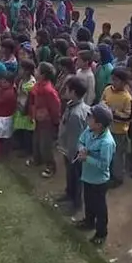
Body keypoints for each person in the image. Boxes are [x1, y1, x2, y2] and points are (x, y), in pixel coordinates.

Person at [75, 103, 116, 246]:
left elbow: (104, 165)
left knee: (100, 208)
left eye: (90, 117)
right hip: (87, 176)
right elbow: (80, 140)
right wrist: (81, 149)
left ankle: (101, 233)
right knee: (88, 202)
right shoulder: (89, 130)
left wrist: (87, 158)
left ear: (99, 125)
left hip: (99, 181)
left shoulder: (107, 143)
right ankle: (88, 222)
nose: (87, 118)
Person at [57, 76, 91, 214]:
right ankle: (69, 193)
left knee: (76, 177)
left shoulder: (77, 113)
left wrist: (71, 154)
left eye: (67, 89)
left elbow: (75, 138)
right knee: (70, 175)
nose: (64, 91)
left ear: (73, 92)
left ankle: (76, 204)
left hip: (74, 151)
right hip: (69, 148)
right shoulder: (73, 105)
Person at [27, 61, 62, 177]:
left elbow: (55, 106)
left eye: (38, 70)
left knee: (45, 145)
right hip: (38, 118)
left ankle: (50, 166)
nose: (35, 71)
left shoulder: (48, 90)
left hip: (47, 121)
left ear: (42, 75)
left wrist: (55, 121)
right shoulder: (38, 85)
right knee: (36, 140)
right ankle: (37, 159)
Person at [103, 67, 132, 186]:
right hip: (107, 129)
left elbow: (129, 117)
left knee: (118, 156)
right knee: (107, 154)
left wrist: (113, 113)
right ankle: (108, 174)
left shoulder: (127, 98)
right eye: (113, 79)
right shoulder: (107, 90)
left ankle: (118, 178)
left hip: (119, 132)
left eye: (117, 80)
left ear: (124, 82)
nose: (114, 82)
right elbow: (102, 102)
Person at [11, 60, 37, 155]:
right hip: (20, 107)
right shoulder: (22, 80)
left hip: (25, 110)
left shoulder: (30, 84)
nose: (19, 71)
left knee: (27, 131)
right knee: (20, 128)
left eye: (21, 69)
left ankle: (27, 150)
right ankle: (20, 145)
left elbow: (30, 100)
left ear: (27, 71)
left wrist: (24, 110)